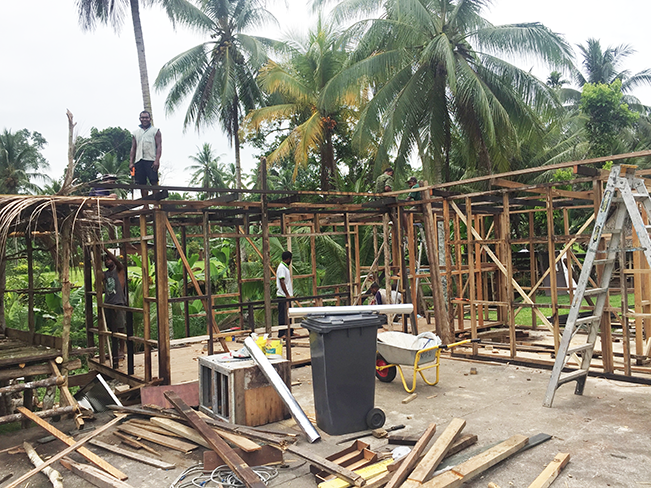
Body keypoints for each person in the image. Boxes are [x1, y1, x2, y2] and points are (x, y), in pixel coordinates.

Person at [129, 110, 161, 197]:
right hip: (139, 160)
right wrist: (131, 162)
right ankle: (145, 204)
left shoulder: (155, 131)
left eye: (146, 117)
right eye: (143, 118)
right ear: (140, 119)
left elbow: (159, 146)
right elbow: (133, 148)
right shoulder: (135, 133)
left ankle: (156, 204)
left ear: (150, 119)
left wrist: (157, 160)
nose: (144, 119)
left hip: (151, 159)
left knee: (153, 181)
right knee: (141, 183)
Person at [103, 248, 127, 361]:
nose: (107, 261)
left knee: (120, 326)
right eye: (105, 260)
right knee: (112, 328)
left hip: (118, 302)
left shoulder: (119, 270)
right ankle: (114, 350)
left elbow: (117, 262)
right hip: (108, 303)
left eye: (109, 259)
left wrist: (104, 249)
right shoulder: (105, 274)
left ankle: (122, 349)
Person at [276, 251, 293, 338]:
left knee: (288, 314)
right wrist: (287, 294)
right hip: (283, 296)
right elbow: (281, 281)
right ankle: (282, 333)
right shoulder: (282, 268)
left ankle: (290, 332)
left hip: (286, 295)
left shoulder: (284, 267)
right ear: (288, 259)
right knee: (283, 315)